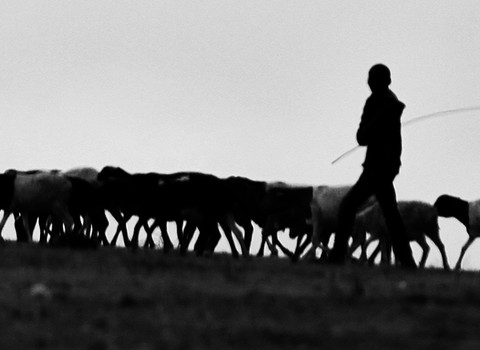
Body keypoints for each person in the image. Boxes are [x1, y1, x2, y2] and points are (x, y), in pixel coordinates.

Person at [329, 63, 417, 269]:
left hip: (378, 168)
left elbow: (364, 136)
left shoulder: (385, 105)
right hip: (382, 167)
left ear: (384, 81)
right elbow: (362, 137)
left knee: (348, 205)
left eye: (373, 78)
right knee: (391, 214)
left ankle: (337, 256)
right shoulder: (383, 104)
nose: (370, 82)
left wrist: (372, 131)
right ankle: (408, 262)